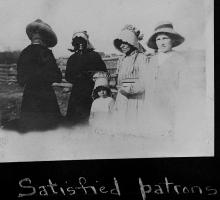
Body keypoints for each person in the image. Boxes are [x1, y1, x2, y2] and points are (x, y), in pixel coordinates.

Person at [16, 19, 62, 132]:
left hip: (30, 93)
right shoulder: (46, 52)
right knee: (49, 125)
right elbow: (56, 76)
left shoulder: (24, 52)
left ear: (32, 37)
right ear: (44, 38)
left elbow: (21, 78)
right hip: (45, 93)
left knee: (30, 124)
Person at [144, 21, 188, 136]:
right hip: (152, 106)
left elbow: (184, 88)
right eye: (158, 39)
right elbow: (147, 83)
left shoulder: (179, 60)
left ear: (172, 40)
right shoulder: (152, 60)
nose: (162, 42)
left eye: (165, 38)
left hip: (171, 107)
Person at [65, 31, 107, 126]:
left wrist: (90, 75)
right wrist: (77, 78)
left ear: (86, 42)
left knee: (89, 117)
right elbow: (68, 75)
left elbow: (103, 71)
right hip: (77, 92)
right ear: (74, 43)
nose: (80, 44)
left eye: (82, 41)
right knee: (75, 119)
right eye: (77, 42)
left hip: (91, 90)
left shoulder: (94, 56)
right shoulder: (72, 58)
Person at [113, 25, 147, 132]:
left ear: (132, 42)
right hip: (122, 97)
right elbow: (119, 80)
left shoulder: (141, 58)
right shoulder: (122, 59)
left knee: (133, 127)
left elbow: (145, 82)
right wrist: (118, 85)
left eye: (125, 42)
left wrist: (129, 89)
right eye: (120, 44)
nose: (122, 46)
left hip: (136, 99)